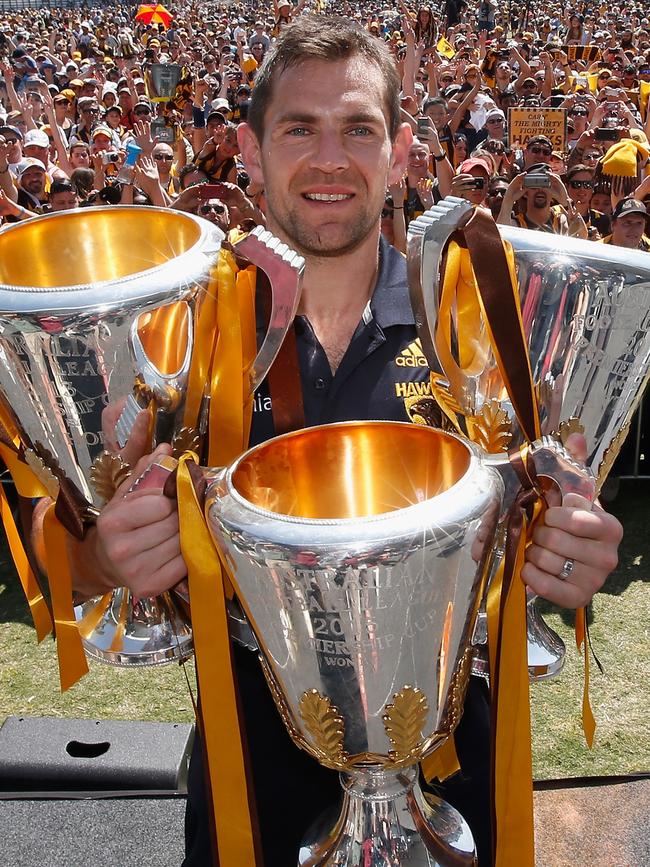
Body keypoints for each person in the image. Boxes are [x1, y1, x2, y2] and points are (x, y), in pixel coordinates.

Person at [41, 16, 623, 867]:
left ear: (402, 150)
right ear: (249, 148)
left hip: (447, 787)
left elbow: (546, 520)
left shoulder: (475, 313)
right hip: (253, 791)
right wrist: (103, 559)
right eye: (298, 128)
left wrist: (575, 554)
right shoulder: (183, 329)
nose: (329, 158)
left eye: (358, 128)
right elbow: (66, 539)